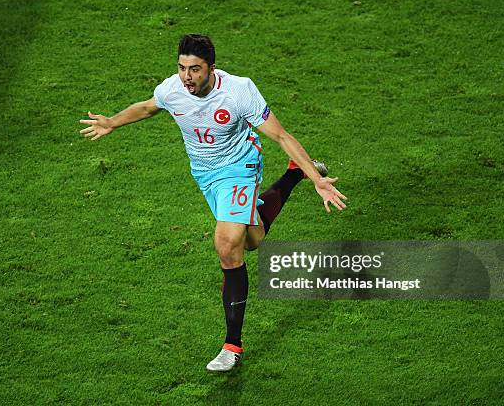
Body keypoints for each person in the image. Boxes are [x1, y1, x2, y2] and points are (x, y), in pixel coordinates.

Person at [79, 34, 347, 372]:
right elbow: (149, 106)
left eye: (195, 69)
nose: (187, 77)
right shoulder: (172, 89)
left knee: (225, 244)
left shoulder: (238, 91)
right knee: (252, 240)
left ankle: (232, 345)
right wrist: (112, 122)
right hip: (204, 175)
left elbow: (280, 135)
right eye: (181, 68)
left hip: (239, 168)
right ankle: (292, 176)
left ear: (212, 69)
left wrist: (319, 179)